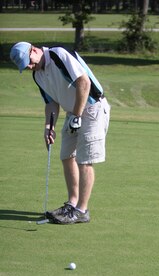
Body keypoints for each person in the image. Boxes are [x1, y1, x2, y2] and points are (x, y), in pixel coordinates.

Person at [10, 41, 110, 224]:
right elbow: (51, 103)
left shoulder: (58, 55)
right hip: (73, 112)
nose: (30, 67)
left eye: (29, 62)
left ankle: (81, 210)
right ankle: (72, 204)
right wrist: (49, 127)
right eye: (26, 67)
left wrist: (77, 116)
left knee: (84, 160)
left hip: (92, 107)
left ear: (33, 50)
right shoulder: (37, 75)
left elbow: (84, 82)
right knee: (66, 156)